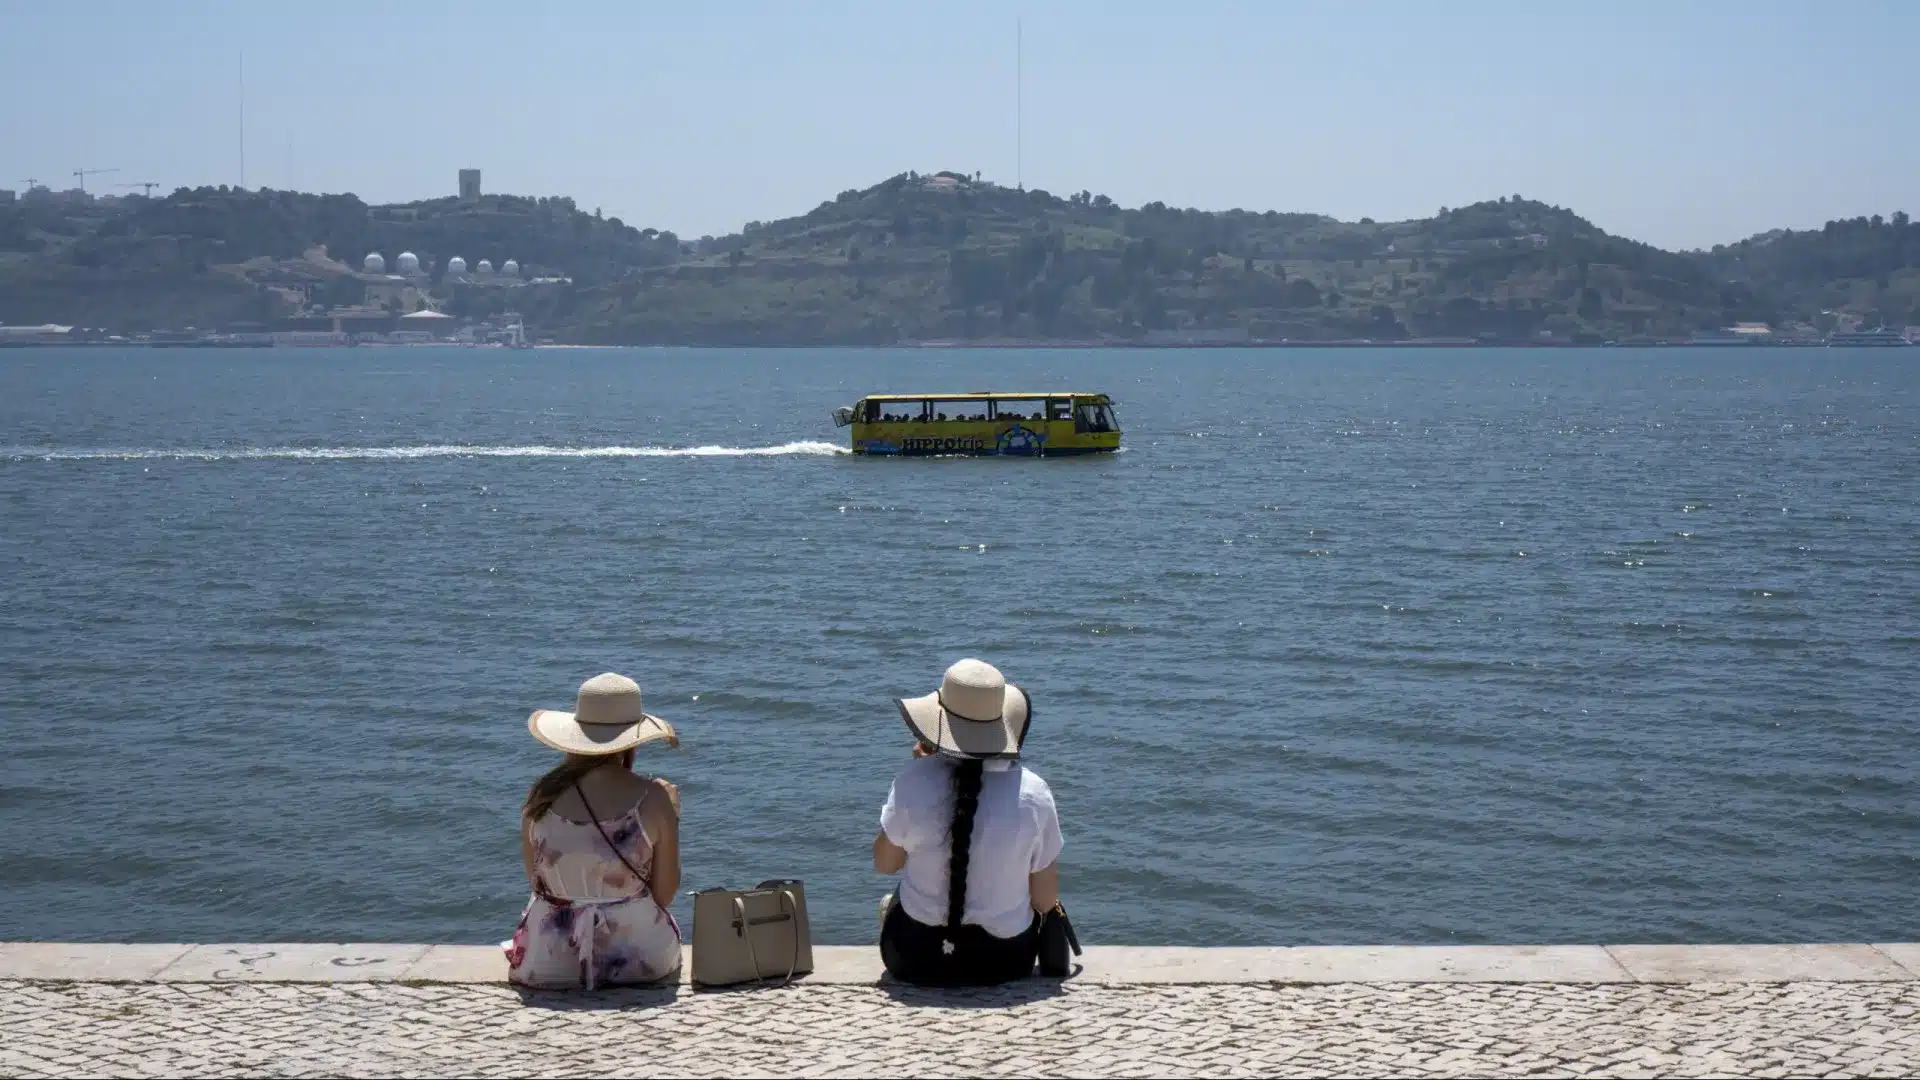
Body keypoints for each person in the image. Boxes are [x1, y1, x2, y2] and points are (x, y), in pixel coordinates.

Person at [873, 659, 1064, 985]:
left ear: (940, 724)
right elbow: (1045, 900)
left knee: (887, 903)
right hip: (1005, 963)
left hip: (912, 959)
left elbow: (885, 863)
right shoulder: (1034, 793)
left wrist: (923, 774)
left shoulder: (914, 780)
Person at [505, 672, 683, 989]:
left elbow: (536, 882)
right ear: (632, 741)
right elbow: (664, 894)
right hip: (638, 960)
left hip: (550, 959)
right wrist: (672, 816)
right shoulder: (653, 798)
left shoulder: (541, 797)